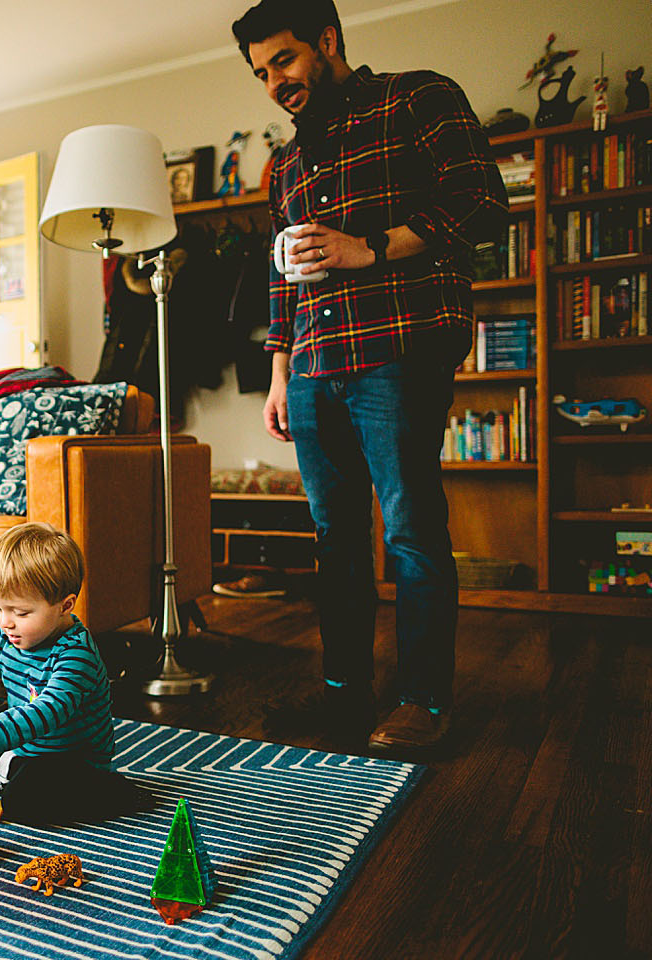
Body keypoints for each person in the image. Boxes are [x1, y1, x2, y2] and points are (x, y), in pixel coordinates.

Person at [232, 0, 508, 752]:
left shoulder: (417, 97)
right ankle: (345, 695)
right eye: (260, 73)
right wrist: (280, 372)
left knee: (412, 530)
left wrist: (371, 247)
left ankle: (423, 702)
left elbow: (483, 200)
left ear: (327, 41)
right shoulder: (284, 164)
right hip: (315, 367)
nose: (274, 83)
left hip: (399, 347)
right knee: (336, 538)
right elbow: (283, 276)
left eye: (284, 61)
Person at [0, 523, 144, 823]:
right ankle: (8, 771)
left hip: (73, 764)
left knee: (23, 798)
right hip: (25, 751)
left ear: (65, 606)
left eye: (20, 613)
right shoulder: (8, 635)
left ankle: (115, 793)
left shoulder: (76, 655)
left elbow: (47, 711)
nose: (6, 622)